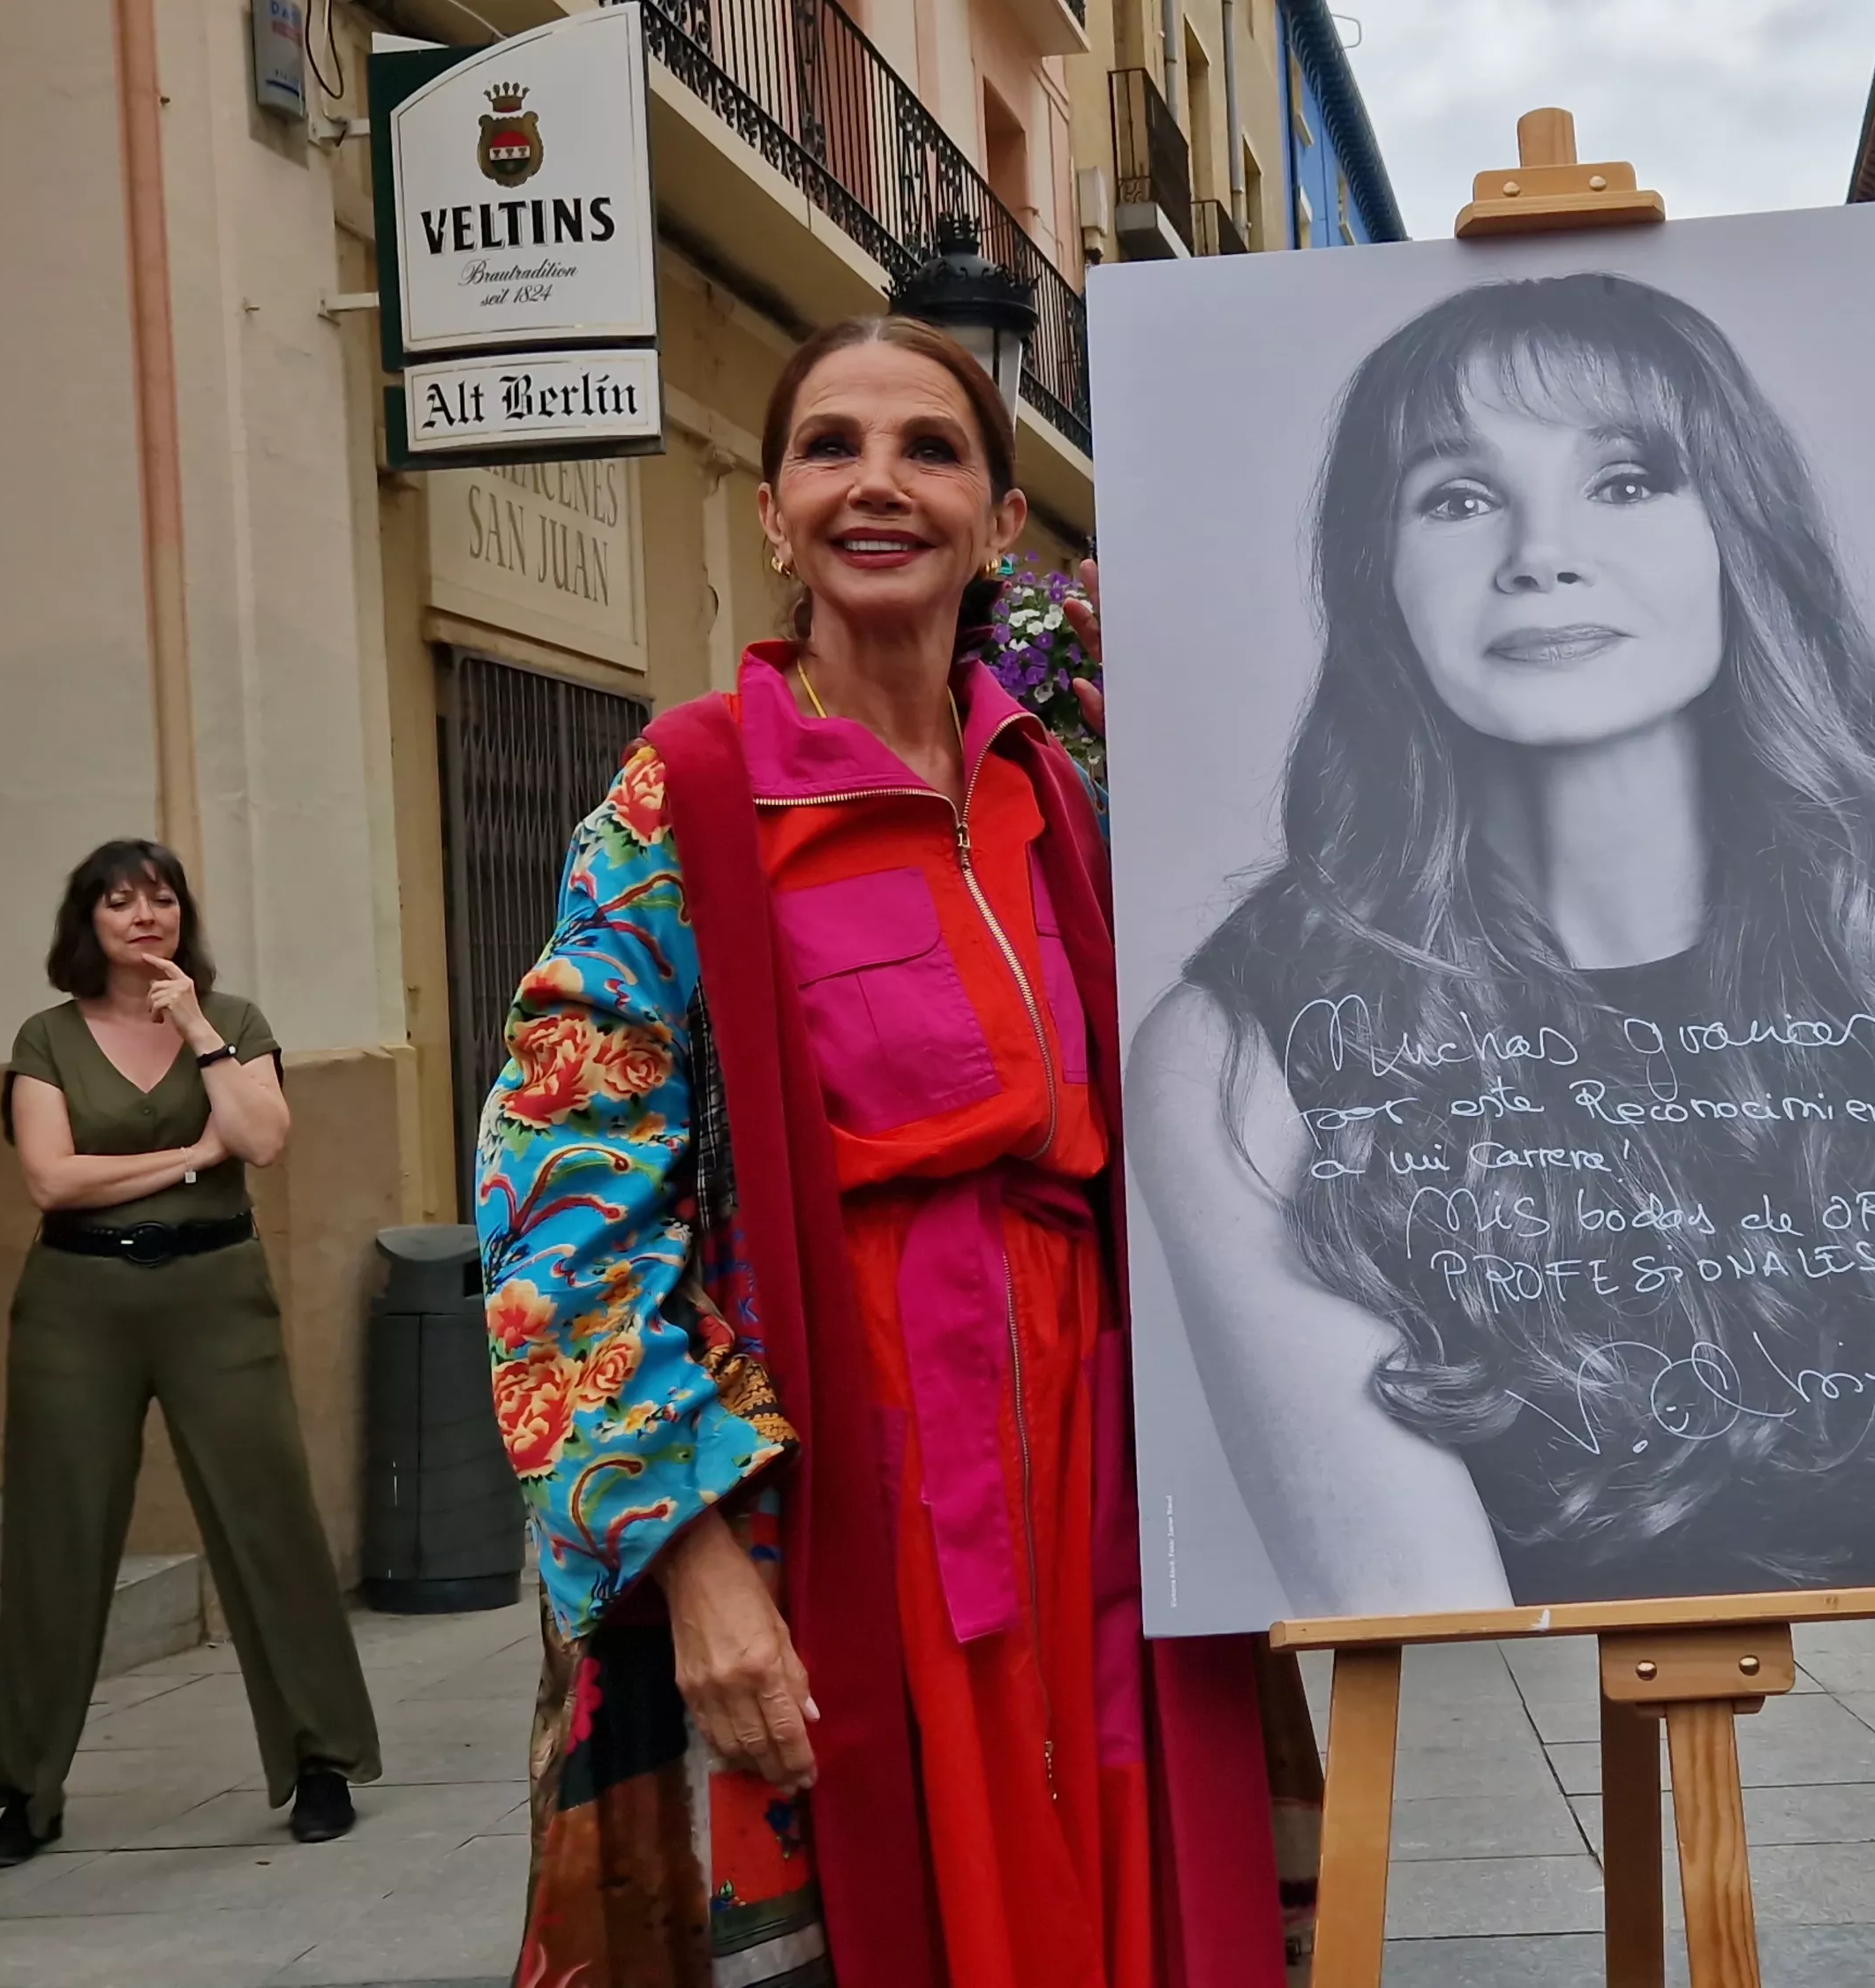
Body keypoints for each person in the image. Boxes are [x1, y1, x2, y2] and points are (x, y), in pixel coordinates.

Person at [1132, 274, 1875, 1614]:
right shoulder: (1242, 1058)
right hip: (1556, 1748)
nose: (1541, 553)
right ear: (1379, 580)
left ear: (1741, 538)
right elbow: (1424, 1618)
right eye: (1459, 498)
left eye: (1628, 480)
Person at [475, 316, 1285, 1988]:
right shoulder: (685, 796)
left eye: (930, 449)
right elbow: (559, 1195)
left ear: (1000, 522)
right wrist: (690, 1553)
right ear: (774, 516)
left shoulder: (1058, 799)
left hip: (1091, 1467)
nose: (878, 484)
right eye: (830, 447)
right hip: (837, 1473)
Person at [0, 840, 380, 1866]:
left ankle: (321, 1760)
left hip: (216, 1291)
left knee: (268, 1516)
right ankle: (26, 1790)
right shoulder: (47, 1035)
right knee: (57, 1533)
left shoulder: (233, 1020)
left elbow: (266, 1138)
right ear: (88, 920)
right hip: (78, 1301)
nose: (143, 915)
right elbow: (52, 1180)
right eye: (119, 901)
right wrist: (195, 1154)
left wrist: (198, 1029)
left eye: (160, 898)